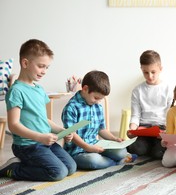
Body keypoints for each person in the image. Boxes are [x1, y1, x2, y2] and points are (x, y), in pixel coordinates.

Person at [0, 39, 77, 181]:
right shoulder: (16, 91)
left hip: (45, 143)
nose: (44, 71)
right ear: (25, 63)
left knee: (71, 167)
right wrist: (39, 137)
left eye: (47, 67)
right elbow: (14, 125)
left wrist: (61, 131)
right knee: (58, 173)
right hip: (27, 146)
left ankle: (32, 163)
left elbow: (44, 120)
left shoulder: (40, 90)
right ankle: (14, 169)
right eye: (41, 66)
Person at [61, 70, 136, 170]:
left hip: (95, 144)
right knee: (93, 161)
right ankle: (117, 162)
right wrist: (88, 148)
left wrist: (114, 139)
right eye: (96, 98)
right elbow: (72, 135)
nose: (98, 102)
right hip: (78, 150)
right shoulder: (71, 108)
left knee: (121, 151)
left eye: (100, 99)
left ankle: (115, 159)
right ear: (85, 89)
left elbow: (101, 129)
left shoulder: (97, 107)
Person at [126, 50, 173, 159]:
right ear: (141, 69)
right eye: (145, 72)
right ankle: (145, 147)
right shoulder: (137, 90)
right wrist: (132, 129)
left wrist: (168, 131)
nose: (150, 76)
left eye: (153, 72)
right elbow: (135, 115)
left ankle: (152, 149)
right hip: (144, 129)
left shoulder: (167, 89)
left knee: (158, 153)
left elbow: (170, 114)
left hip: (162, 129)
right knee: (138, 148)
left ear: (160, 69)